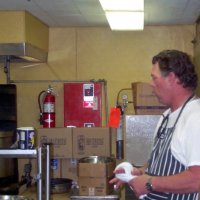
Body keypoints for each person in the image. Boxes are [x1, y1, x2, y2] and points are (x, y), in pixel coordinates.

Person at [109, 49, 200, 199]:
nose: (151, 84)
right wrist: (140, 173)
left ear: (171, 78)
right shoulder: (166, 116)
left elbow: (197, 179)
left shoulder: (195, 117)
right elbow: (162, 167)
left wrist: (150, 183)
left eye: (154, 78)